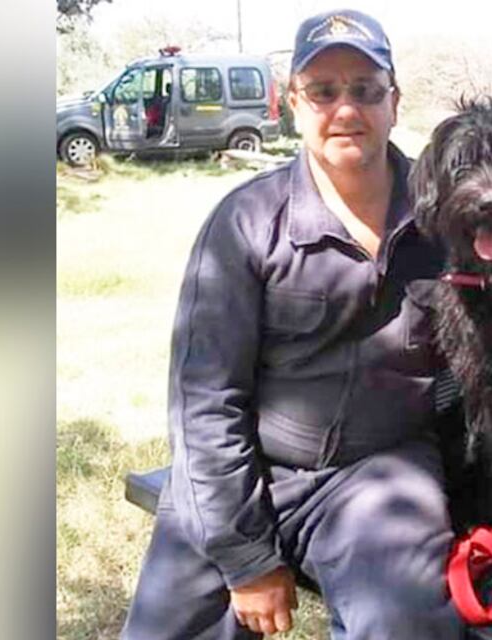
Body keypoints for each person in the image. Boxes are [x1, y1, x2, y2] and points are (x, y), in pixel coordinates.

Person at [121, 9, 464, 640]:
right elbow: (204, 402)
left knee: (408, 624)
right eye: (324, 91)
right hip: (247, 463)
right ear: (293, 104)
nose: (346, 109)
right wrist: (247, 560)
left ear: (395, 100)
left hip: (379, 474)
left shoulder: (447, 220)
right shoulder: (246, 222)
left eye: (365, 89)